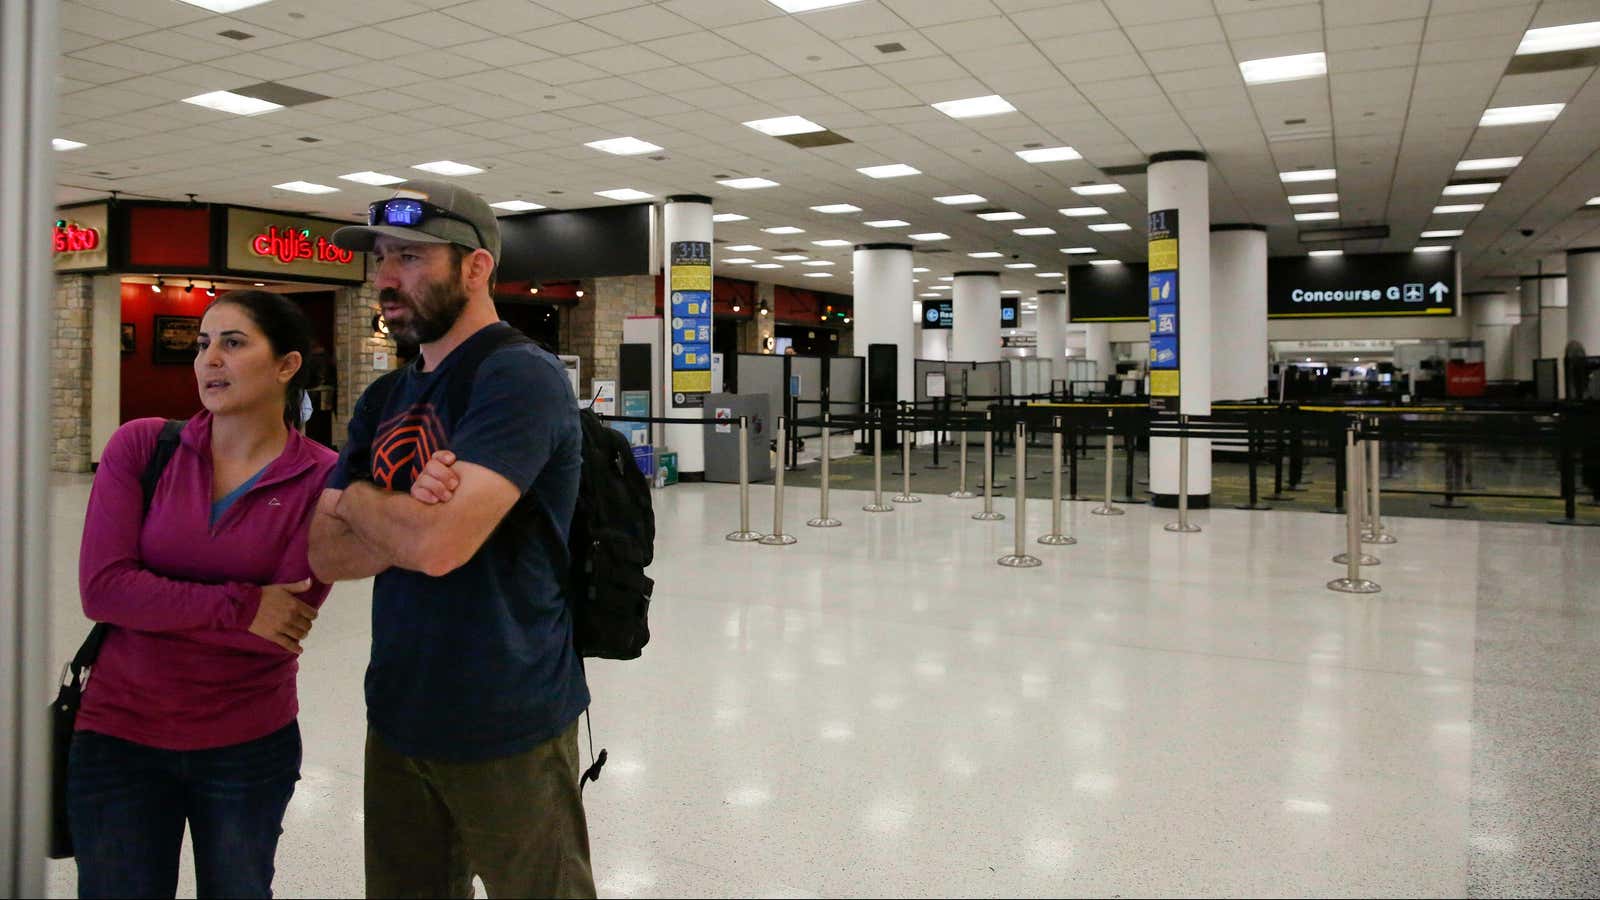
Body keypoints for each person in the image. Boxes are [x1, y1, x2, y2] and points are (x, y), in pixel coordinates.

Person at [308, 180, 594, 899]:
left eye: (409, 256)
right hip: (400, 712)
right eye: (381, 258)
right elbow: (323, 551)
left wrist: (360, 499)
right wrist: (404, 506)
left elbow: (438, 548)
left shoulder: (518, 379)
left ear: (475, 268)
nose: (386, 277)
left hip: (510, 717)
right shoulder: (387, 396)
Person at [70, 290, 336, 898]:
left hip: (247, 743)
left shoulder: (322, 478)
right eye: (202, 344)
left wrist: (162, 598)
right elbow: (104, 588)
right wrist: (240, 605)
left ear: (286, 365)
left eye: (233, 343)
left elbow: (286, 618)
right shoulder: (142, 447)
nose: (209, 360)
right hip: (119, 737)